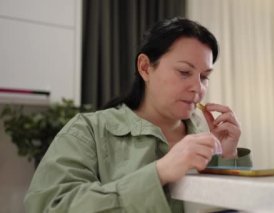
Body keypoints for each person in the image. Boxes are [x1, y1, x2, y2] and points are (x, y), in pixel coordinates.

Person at [24, 17, 252, 213]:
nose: (198, 88)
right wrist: (159, 172)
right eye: (184, 72)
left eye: (204, 76)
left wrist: (227, 159)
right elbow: (48, 207)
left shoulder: (206, 136)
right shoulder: (88, 131)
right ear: (145, 67)